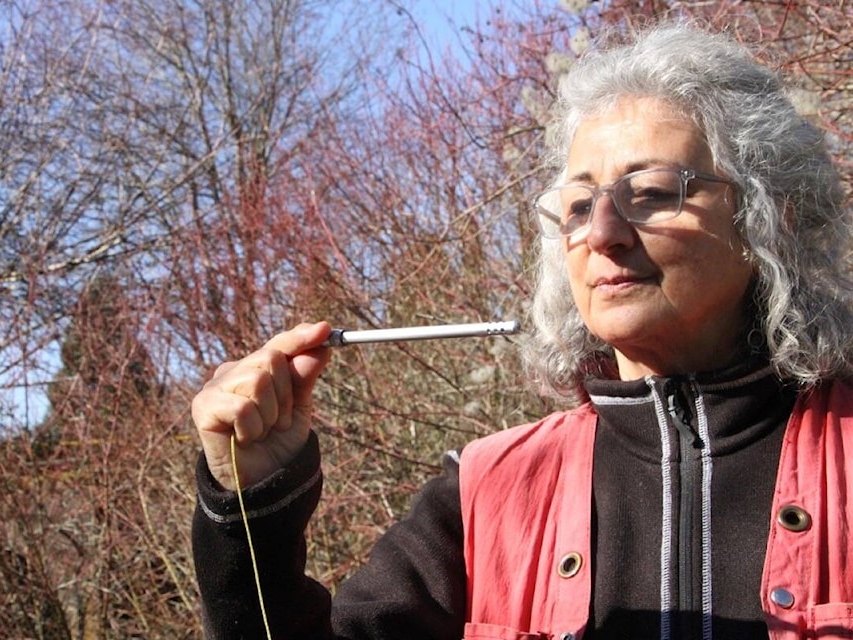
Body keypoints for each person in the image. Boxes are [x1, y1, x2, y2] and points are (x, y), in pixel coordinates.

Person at [190, 21, 853, 640]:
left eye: (650, 193)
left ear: (773, 214)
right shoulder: (487, 490)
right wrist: (251, 513)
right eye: (577, 206)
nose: (602, 234)